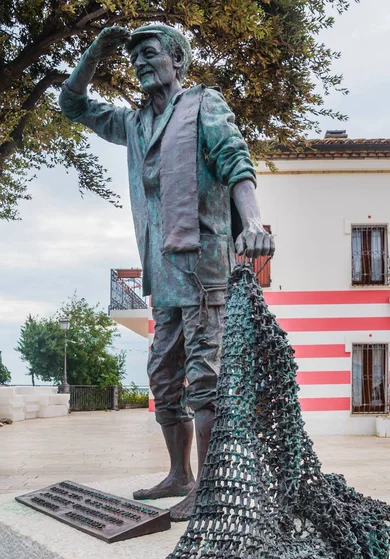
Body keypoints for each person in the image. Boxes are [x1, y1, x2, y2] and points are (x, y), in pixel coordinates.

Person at [59, 23, 274, 521]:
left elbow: (235, 163)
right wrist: (97, 51)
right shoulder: (135, 125)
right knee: (163, 375)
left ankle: (211, 487)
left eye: (149, 53)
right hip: (164, 274)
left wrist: (255, 223)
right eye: (133, 57)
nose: (138, 63)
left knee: (204, 376)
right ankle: (180, 474)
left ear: (177, 60)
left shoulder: (204, 105)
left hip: (203, 267)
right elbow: (73, 105)